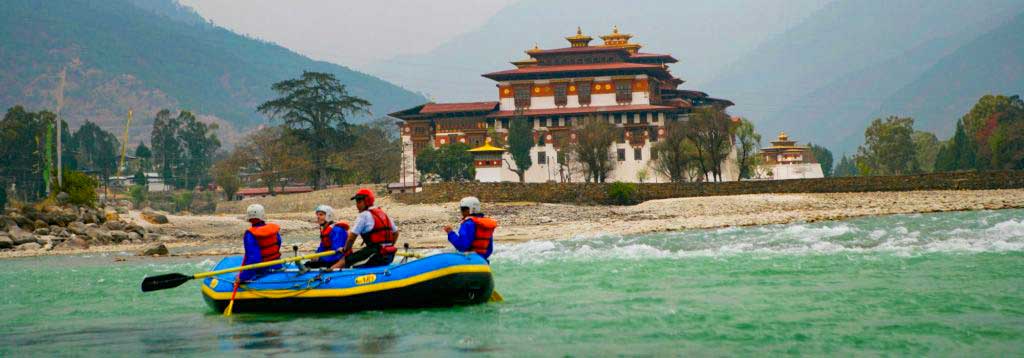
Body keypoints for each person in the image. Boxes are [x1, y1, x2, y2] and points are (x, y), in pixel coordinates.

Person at [334, 188, 399, 269]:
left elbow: (351, 238)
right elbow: (396, 233)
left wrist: (344, 250)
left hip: (375, 254)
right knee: (360, 255)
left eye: (359, 201)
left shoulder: (363, 215)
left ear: (367, 201)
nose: (357, 205)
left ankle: (326, 276)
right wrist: (390, 246)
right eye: (356, 202)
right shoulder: (383, 213)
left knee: (345, 260)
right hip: (389, 254)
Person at [444, 196, 497, 261]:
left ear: (471, 209)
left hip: (469, 261)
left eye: (463, 209)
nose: (462, 212)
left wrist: (451, 233)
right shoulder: (485, 224)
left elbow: (462, 246)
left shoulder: (468, 224)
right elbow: (489, 249)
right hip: (482, 261)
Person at [240, 204, 282, 281]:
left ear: (249, 218)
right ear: (262, 215)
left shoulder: (251, 235)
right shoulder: (273, 230)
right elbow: (278, 244)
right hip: (277, 265)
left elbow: (254, 259)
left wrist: (242, 277)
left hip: (263, 270)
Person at [305, 205, 350, 269]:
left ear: (328, 216)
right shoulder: (325, 231)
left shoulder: (337, 230)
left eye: (321, 215)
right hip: (330, 258)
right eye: (317, 215)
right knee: (308, 264)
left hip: (338, 261)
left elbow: (337, 253)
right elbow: (322, 247)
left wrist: (321, 258)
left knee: (309, 265)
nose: (318, 217)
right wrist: (315, 255)